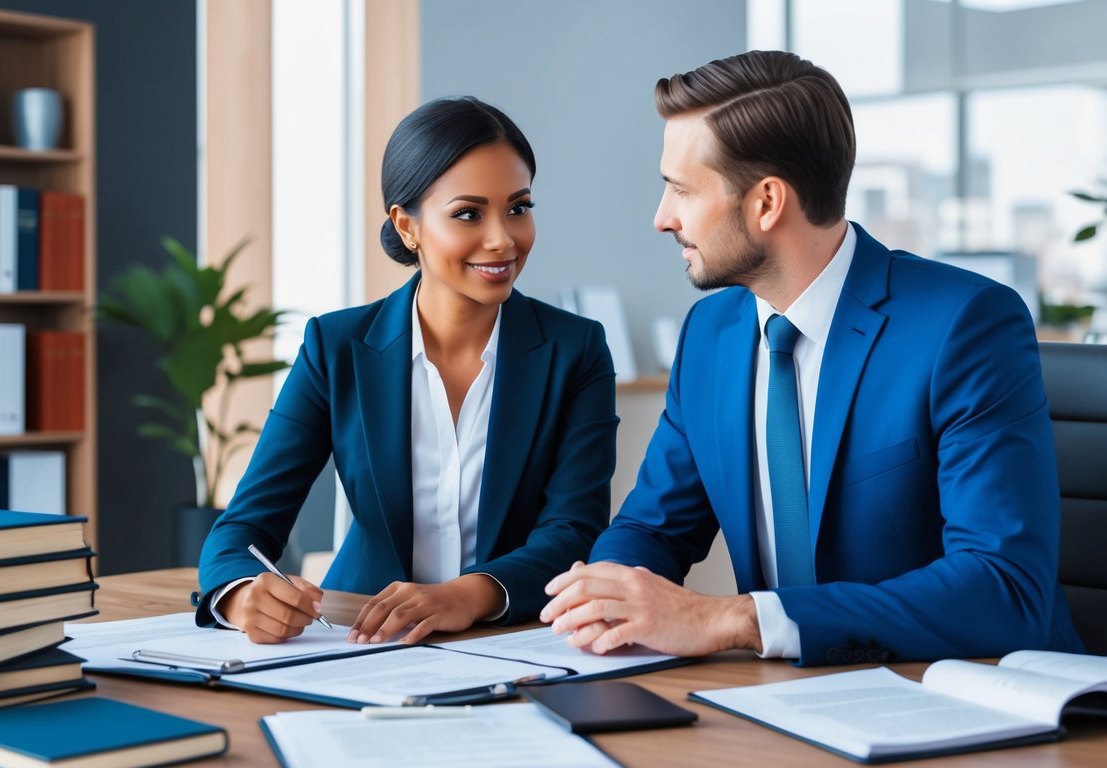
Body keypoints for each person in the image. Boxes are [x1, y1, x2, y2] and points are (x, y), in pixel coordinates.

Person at [541, 50, 1084, 666]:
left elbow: (1003, 589)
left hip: (964, 699)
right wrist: (605, 598)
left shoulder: (964, 325)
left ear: (767, 202)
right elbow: (653, 528)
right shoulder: (710, 335)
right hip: (783, 703)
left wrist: (735, 618)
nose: (662, 218)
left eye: (680, 190)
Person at [196, 96, 618, 646]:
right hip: (360, 638)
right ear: (407, 225)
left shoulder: (575, 349)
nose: (503, 238)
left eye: (518, 207)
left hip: (510, 641)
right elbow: (243, 528)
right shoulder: (337, 346)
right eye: (468, 213)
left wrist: (467, 594)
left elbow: (574, 531)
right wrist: (242, 594)